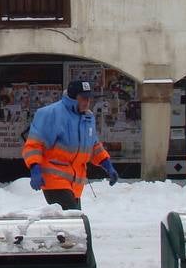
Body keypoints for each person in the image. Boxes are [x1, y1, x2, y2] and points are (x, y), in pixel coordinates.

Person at [22, 79, 119, 210]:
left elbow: (94, 146)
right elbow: (34, 144)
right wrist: (35, 169)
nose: (87, 102)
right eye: (83, 98)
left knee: (73, 220)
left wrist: (108, 166)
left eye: (89, 98)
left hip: (75, 183)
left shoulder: (88, 118)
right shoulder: (52, 114)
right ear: (73, 98)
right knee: (72, 218)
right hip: (54, 179)